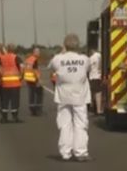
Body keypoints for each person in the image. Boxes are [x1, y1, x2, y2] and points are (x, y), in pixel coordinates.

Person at [49, 34, 92, 162]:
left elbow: (50, 67)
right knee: (80, 124)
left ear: (65, 45)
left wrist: (63, 53)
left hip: (63, 96)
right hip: (79, 95)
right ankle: (81, 152)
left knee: (64, 124)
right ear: (78, 45)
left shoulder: (57, 59)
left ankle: (65, 152)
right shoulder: (84, 59)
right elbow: (88, 70)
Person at [0, 44, 23, 123]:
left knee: (5, 101)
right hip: (15, 83)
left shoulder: (2, 57)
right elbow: (22, 67)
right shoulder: (16, 57)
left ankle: (4, 118)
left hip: (5, 83)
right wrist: (21, 76)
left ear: (7, 49)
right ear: (14, 49)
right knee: (15, 101)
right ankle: (15, 117)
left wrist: (0, 71)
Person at [23, 47, 43, 116]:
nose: (39, 53)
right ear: (34, 52)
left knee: (31, 94)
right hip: (34, 79)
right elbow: (35, 70)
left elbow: (24, 68)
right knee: (38, 94)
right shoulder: (35, 60)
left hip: (28, 78)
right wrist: (39, 80)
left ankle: (32, 109)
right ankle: (37, 109)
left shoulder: (28, 59)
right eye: (38, 52)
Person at [88, 48, 103, 115]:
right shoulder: (99, 56)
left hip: (92, 77)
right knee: (98, 93)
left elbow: (88, 69)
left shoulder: (90, 58)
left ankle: (94, 108)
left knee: (93, 93)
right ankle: (98, 109)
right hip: (98, 76)